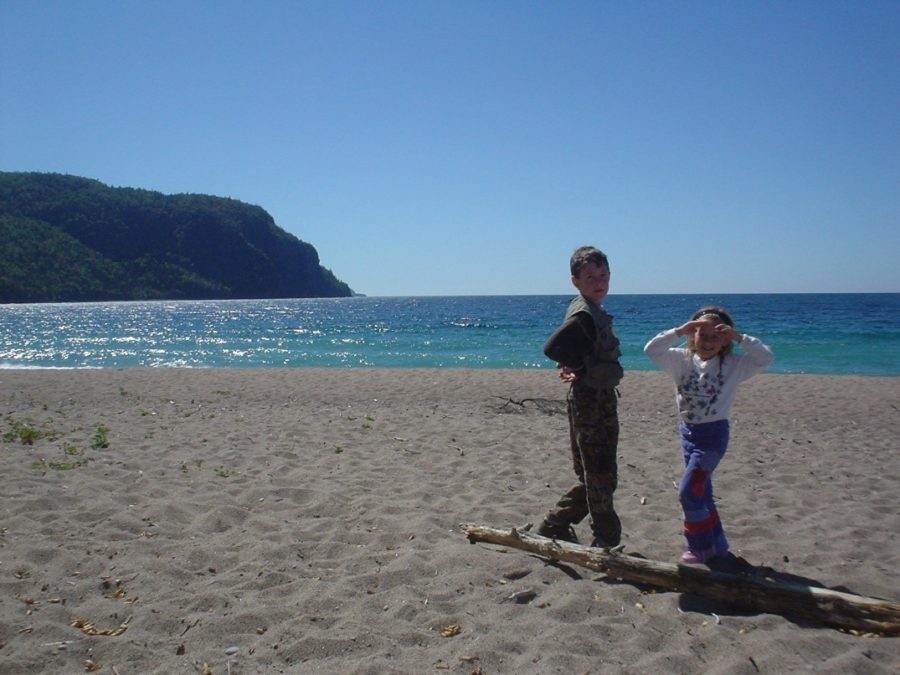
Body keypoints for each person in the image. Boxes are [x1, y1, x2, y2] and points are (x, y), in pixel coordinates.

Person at [644, 306, 773, 564]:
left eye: (717, 336)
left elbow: (765, 357)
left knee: (689, 492)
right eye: (703, 334)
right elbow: (651, 349)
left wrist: (739, 337)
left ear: (725, 339)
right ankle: (718, 545)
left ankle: (700, 548)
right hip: (687, 433)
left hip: (713, 437)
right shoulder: (680, 360)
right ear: (693, 336)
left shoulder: (734, 365)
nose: (709, 341)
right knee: (702, 493)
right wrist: (679, 331)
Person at [537, 246, 624, 548]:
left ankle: (552, 526)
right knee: (600, 476)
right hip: (592, 401)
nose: (599, 282)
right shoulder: (585, 312)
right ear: (575, 281)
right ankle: (606, 541)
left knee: (594, 476)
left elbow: (577, 348)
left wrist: (578, 365)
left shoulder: (590, 309)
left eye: (603, 275)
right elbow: (553, 347)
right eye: (590, 277)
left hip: (595, 397)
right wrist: (578, 367)